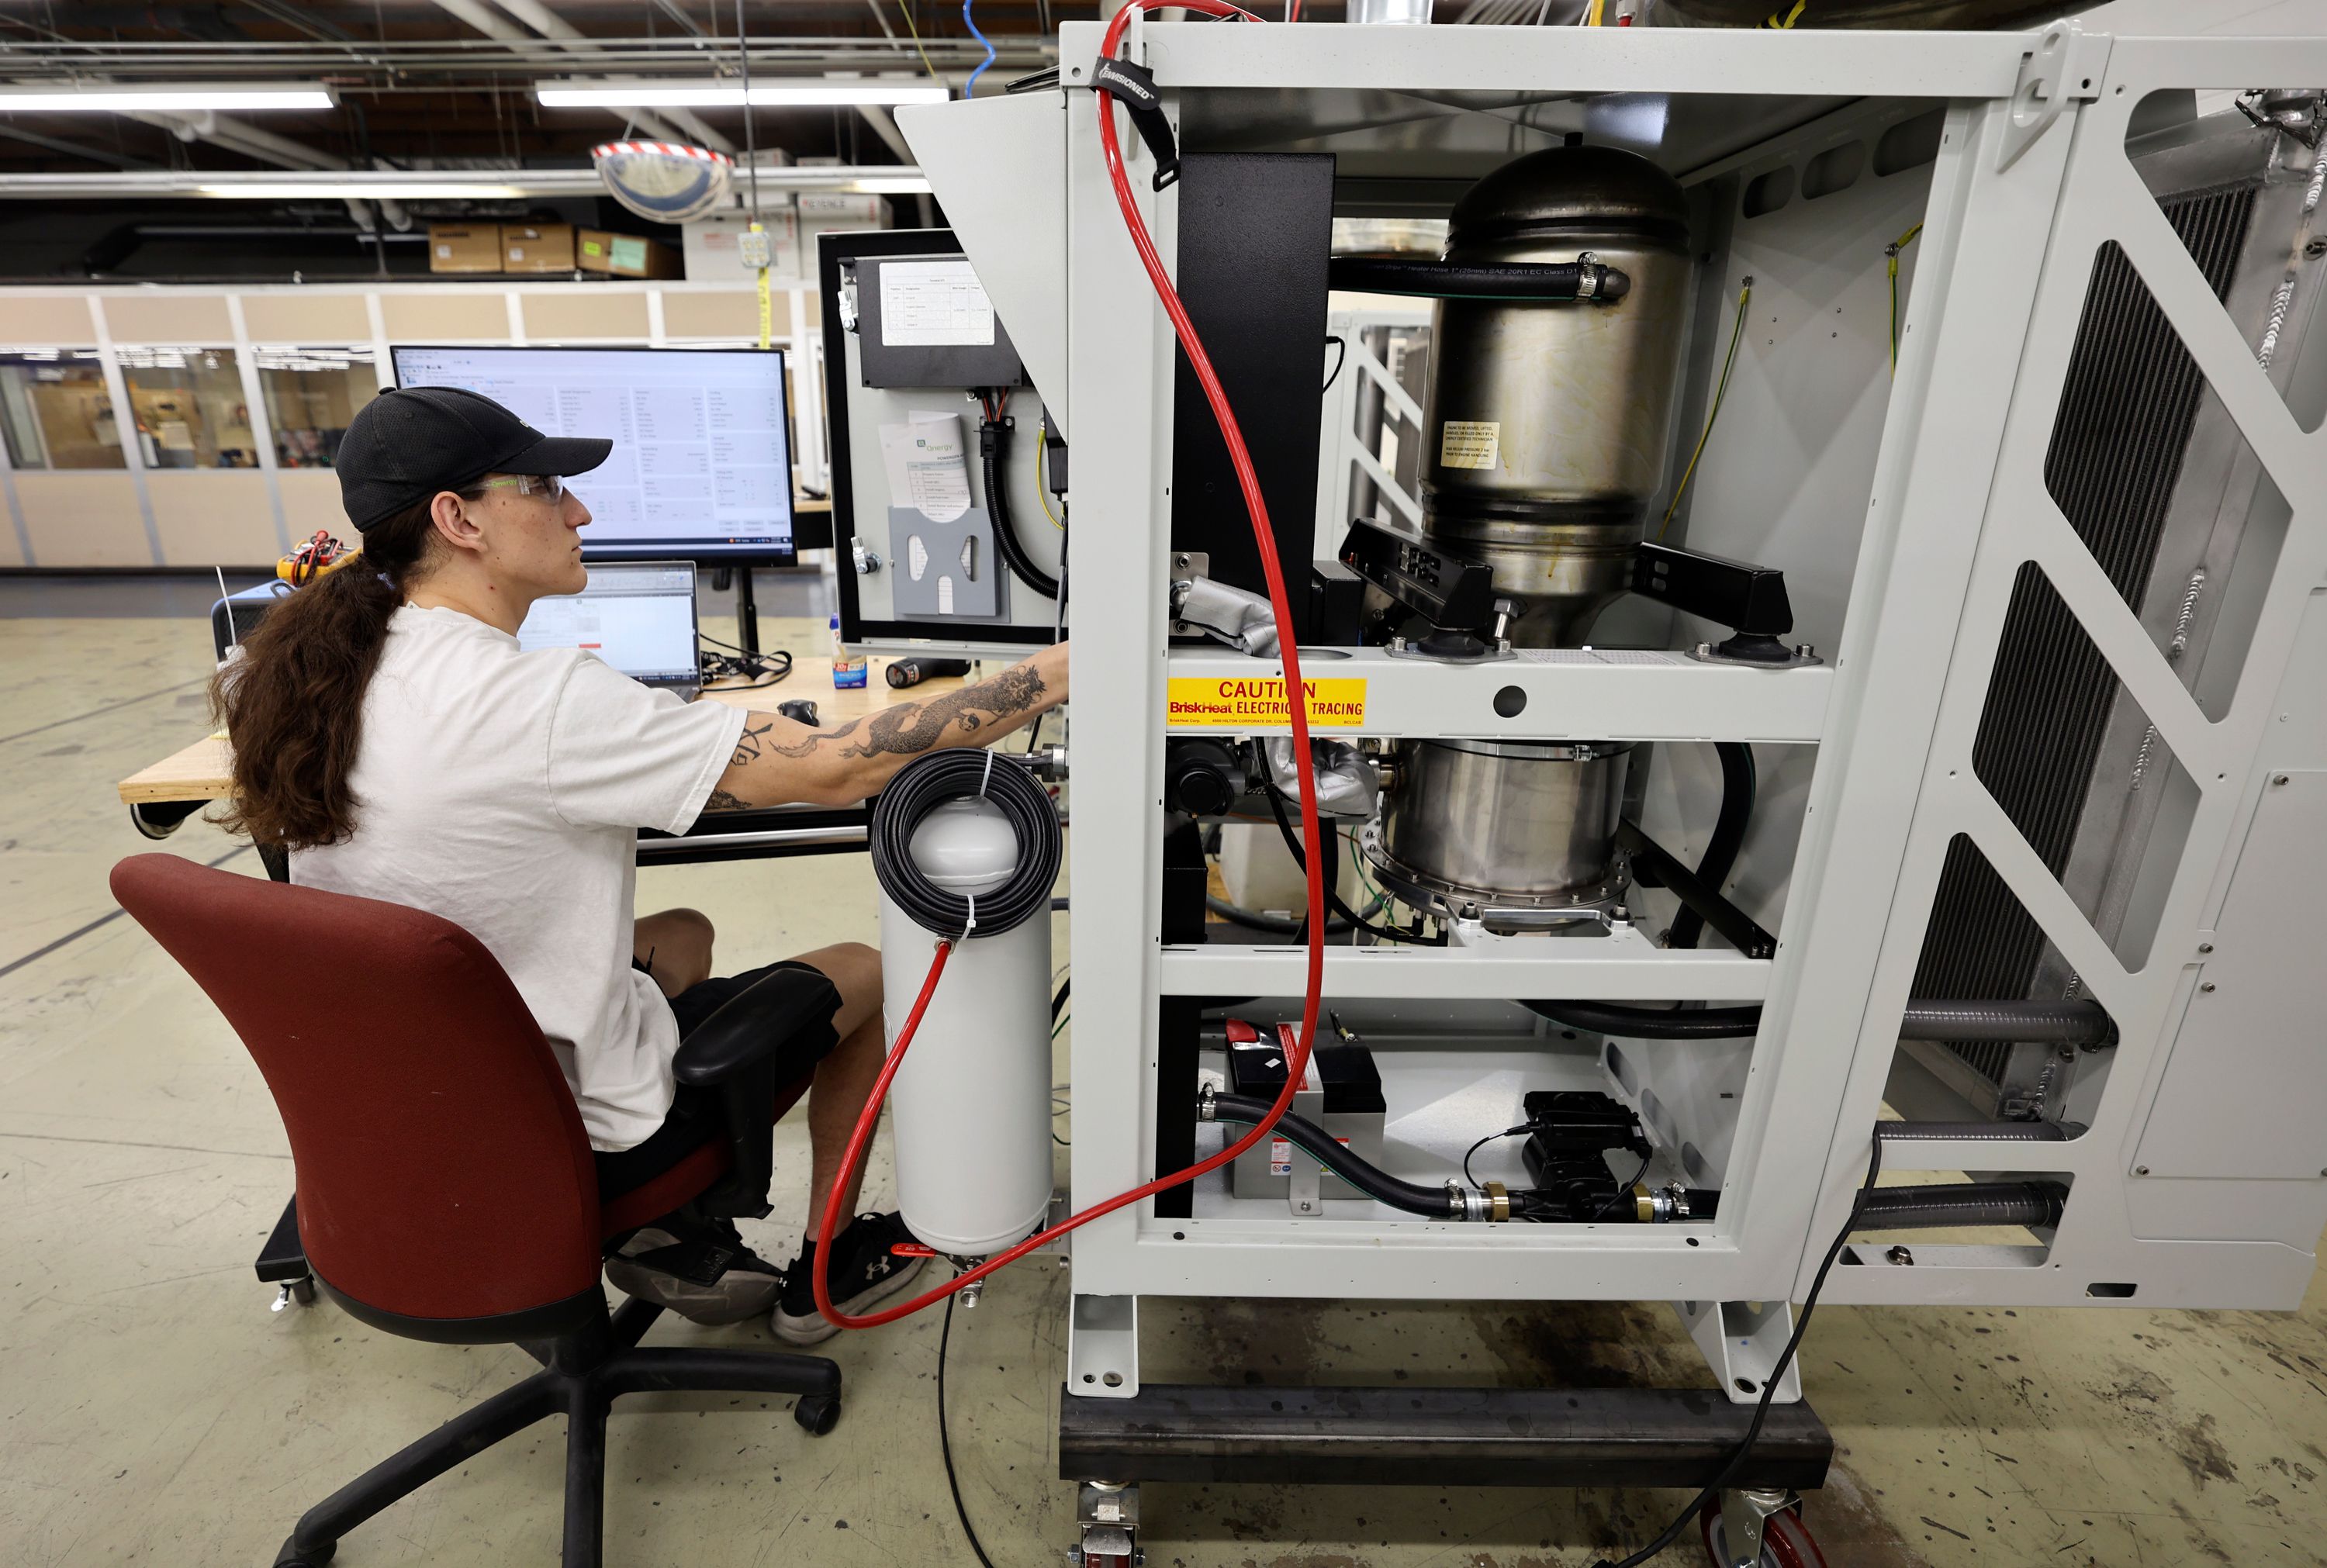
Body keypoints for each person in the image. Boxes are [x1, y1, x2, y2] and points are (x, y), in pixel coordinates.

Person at [210, 385, 1068, 1344]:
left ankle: (670, 1232)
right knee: (868, 973)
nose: (578, 510)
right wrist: (1065, 669)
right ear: (458, 520)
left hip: (414, 1108)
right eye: (545, 488)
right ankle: (819, 1273)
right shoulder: (539, 701)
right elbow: (840, 768)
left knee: (682, 936)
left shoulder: (308, 674)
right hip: (555, 1130)